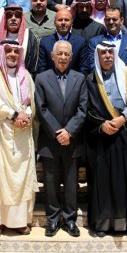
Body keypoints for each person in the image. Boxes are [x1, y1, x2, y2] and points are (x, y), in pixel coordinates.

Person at [0, 39, 38, 236]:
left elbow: (31, 101)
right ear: (2, 53)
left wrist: (26, 115)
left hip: (21, 134)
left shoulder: (26, 75)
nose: (12, 54)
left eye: (16, 51)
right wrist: (13, 114)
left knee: (20, 178)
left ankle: (18, 221)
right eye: (8, 50)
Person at [84, 41, 127, 236]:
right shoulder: (91, 79)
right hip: (103, 138)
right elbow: (87, 110)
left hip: (125, 134)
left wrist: (122, 118)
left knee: (126, 181)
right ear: (98, 56)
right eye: (103, 53)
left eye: (111, 52)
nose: (108, 56)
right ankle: (103, 224)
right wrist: (102, 125)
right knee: (104, 182)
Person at [35, 40, 88, 237]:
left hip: (72, 141)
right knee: (50, 183)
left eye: (66, 54)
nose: (63, 57)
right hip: (50, 141)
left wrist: (69, 132)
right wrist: (58, 132)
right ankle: (53, 220)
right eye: (60, 53)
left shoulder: (80, 78)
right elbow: (41, 109)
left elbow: (82, 109)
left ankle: (70, 219)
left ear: (71, 57)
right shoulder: (41, 78)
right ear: (52, 56)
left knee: (71, 183)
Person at [87, 6, 127, 75]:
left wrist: (121, 73)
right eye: (108, 19)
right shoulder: (95, 43)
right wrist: (109, 74)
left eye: (114, 19)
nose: (111, 22)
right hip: (104, 80)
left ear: (121, 21)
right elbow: (93, 66)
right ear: (104, 21)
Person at [0, 5, 40, 78]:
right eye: (9, 16)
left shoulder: (29, 36)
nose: (13, 18)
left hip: (22, 80)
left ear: (21, 19)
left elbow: (33, 66)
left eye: (17, 16)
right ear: (5, 19)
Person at [37, 8, 89, 74]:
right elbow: (42, 69)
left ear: (72, 23)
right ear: (54, 23)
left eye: (66, 20)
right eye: (60, 20)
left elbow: (84, 69)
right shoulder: (45, 42)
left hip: (74, 79)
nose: (63, 23)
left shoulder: (81, 42)